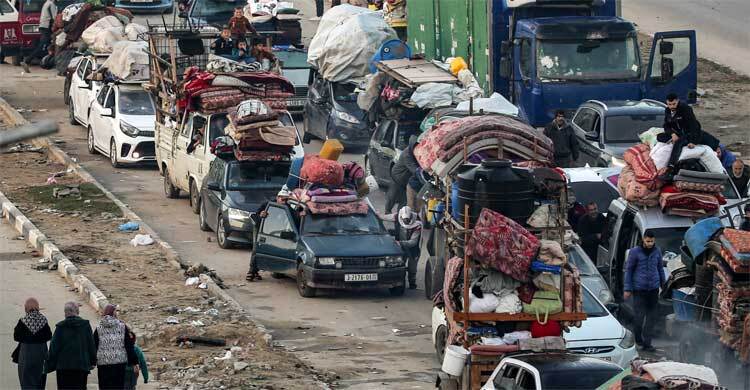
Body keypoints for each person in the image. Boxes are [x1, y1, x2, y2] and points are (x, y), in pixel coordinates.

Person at [623, 230, 666, 352]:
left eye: (652, 241)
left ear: (654, 240)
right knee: (639, 317)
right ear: (643, 239)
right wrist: (627, 289)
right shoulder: (635, 252)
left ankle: (648, 343)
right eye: (648, 241)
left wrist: (663, 285)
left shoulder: (657, 251)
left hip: (653, 289)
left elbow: (660, 269)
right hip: (639, 290)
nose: (650, 243)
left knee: (651, 317)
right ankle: (638, 339)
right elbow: (629, 270)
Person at [47, 302, 97, 390]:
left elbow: (54, 348)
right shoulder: (85, 326)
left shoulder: (60, 327)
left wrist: (50, 363)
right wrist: (93, 361)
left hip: (63, 368)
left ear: (66, 313)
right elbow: (91, 345)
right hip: (81, 367)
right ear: (77, 312)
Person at [94, 304, 137, 390]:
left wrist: (92, 361)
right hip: (119, 364)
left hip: (103, 365)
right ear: (114, 314)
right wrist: (134, 361)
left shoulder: (98, 329)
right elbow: (128, 345)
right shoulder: (122, 327)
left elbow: (93, 346)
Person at [13, 297, 52, 390]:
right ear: (38, 308)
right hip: (41, 357)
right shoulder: (43, 320)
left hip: (25, 357)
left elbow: (16, 336)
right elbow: (49, 336)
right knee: (40, 383)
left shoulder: (23, 321)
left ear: (26, 309)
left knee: (26, 383)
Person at [661, 93, 704, 177]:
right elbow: (666, 125)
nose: (672, 106)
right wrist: (672, 134)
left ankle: (671, 167)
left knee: (678, 143)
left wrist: (693, 141)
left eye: (674, 104)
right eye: (669, 104)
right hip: (677, 133)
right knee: (660, 137)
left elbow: (694, 126)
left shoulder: (686, 109)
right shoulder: (667, 110)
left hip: (687, 133)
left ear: (677, 101)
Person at [380, 206, 422, 289]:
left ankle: (412, 282)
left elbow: (413, 242)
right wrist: (378, 215)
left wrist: (400, 243)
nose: (406, 222)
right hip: (401, 247)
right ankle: (400, 281)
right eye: (404, 220)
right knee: (400, 264)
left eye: (408, 220)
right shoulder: (397, 216)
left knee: (412, 268)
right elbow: (385, 217)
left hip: (414, 249)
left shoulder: (417, 225)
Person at [386, 135, 419, 213]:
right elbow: (414, 169)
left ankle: (399, 219)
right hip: (397, 178)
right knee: (392, 198)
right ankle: (387, 212)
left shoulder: (415, 154)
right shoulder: (407, 154)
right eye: (415, 147)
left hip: (406, 182)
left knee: (403, 203)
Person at [21, 0, 57, 72]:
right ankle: (27, 60)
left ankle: (50, 63)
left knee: (48, 45)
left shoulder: (46, 3)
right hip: (47, 27)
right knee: (43, 46)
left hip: (43, 26)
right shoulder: (51, 4)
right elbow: (54, 18)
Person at [246, 200, 270, 281]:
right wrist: (261, 216)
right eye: (283, 199)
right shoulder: (267, 204)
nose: (284, 201)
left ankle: (254, 271)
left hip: (272, 228)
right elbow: (255, 216)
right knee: (256, 248)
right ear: (278, 197)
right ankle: (251, 271)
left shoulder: (288, 205)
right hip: (260, 227)